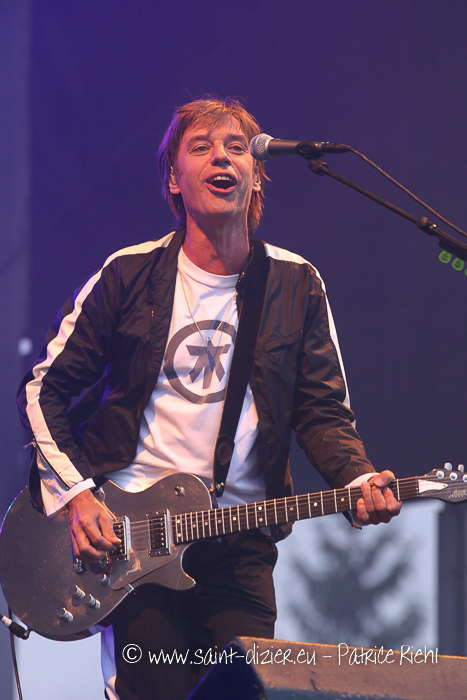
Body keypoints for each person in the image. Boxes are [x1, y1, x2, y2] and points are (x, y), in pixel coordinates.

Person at [18, 97, 401, 700]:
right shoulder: (128, 274)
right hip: (133, 539)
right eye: (201, 147)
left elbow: (323, 413)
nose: (222, 157)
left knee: (240, 691)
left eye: (236, 147)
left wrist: (357, 479)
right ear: (174, 178)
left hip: (241, 541)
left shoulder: (296, 282)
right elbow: (43, 389)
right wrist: (76, 495)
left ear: (256, 176)